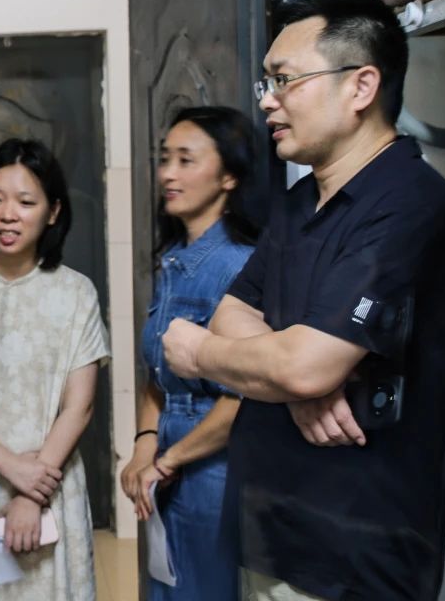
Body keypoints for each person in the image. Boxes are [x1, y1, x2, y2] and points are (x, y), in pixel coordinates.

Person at [162, 0, 445, 600]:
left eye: (285, 80)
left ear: (360, 86)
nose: (267, 101)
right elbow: (233, 314)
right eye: (267, 82)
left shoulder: (409, 201)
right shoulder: (300, 200)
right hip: (272, 532)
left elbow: (303, 365)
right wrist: (289, 380)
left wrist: (202, 356)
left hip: (355, 551)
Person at [0, 139, 110, 600]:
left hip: (50, 483)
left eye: (26, 202)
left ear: (52, 212)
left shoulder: (75, 292)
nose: (8, 215)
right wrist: (11, 469)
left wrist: (31, 490)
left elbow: (79, 407)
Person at [119, 107, 258, 600]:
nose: (168, 174)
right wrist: (144, 447)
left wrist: (168, 459)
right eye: (165, 159)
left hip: (214, 471)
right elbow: (157, 375)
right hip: (167, 464)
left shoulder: (239, 265)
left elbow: (243, 397)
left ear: (228, 176)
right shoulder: (175, 260)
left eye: (186, 160)